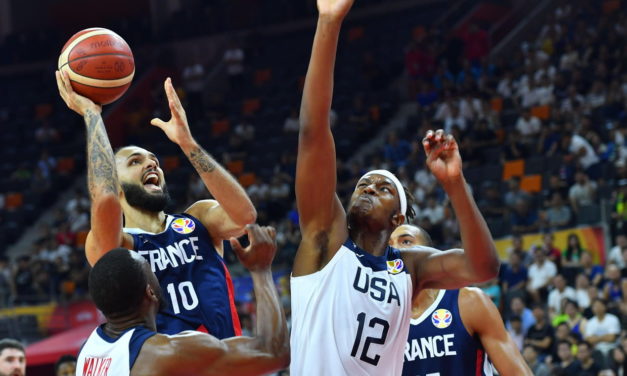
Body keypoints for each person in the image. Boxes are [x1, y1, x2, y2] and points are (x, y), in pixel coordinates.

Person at [290, 1, 499, 374]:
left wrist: (454, 185)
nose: (368, 188)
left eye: (382, 188)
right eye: (363, 185)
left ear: (398, 217)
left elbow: (483, 266)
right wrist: (329, 22)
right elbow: (313, 132)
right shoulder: (325, 240)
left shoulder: (408, 268)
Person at [55, 72, 256, 336]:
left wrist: (188, 143)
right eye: (134, 162)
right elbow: (104, 198)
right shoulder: (119, 244)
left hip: (229, 364)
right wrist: (92, 114)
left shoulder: (199, 219)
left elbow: (244, 216)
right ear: (115, 184)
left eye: (153, 161)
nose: (151, 164)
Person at [76, 225, 289, 376]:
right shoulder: (165, 354)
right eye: (151, 270)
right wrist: (261, 270)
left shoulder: (87, 353)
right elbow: (273, 353)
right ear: (150, 292)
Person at [390, 224, 531, 376]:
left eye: (406, 242)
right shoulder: (376, 320)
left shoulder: (469, 302)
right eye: (388, 246)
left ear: (429, 254)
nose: (396, 250)